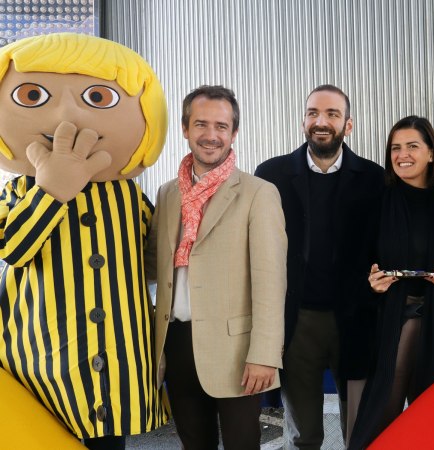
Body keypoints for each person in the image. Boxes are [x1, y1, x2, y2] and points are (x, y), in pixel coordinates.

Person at [0, 33, 168, 449]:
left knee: (107, 443)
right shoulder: (18, 190)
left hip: (116, 360)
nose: (67, 115)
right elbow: (14, 249)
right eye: (33, 95)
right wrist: (51, 191)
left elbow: (155, 260)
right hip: (41, 363)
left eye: (97, 97)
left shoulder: (129, 195)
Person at [145, 85, 287, 448]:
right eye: (201, 124)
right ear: (185, 128)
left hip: (236, 350)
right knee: (194, 443)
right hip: (177, 342)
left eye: (221, 126)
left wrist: (265, 355)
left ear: (234, 132)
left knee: (242, 443)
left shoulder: (258, 193)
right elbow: (153, 266)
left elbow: (271, 283)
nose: (211, 135)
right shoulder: (167, 193)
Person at [254, 85, 384, 449]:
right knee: (303, 435)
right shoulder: (271, 175)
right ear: (303, 122)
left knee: (360, 433)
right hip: (297, 321)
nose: (321, 121)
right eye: (313, 113)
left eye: (332, 114)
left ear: (348, 125)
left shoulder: (374, 178)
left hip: (355, 319)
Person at [348, 116, 434, 449]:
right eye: (395, 148)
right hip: (386, 324)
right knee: (379, 423)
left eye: (412, 146)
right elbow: (350, 274)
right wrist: (371, 284)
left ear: (431, 153)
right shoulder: (372, 208)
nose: (402, 155)